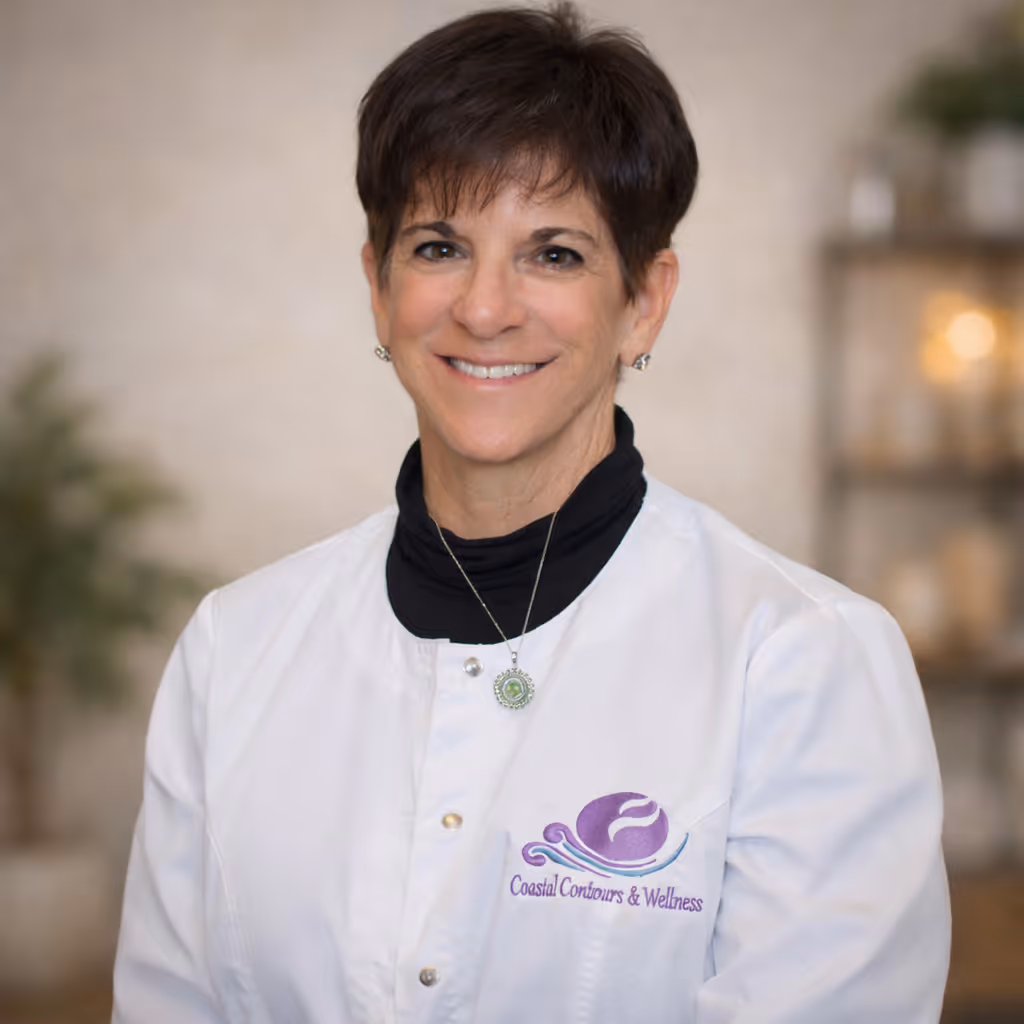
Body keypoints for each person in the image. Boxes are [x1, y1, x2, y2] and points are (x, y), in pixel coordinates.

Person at [111, 4, 951, 1022]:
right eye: (438, 247)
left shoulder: (803, 663)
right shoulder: (235, 650)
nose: (484, 307)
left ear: (642, 300)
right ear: (377, 287)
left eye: (552, 253)